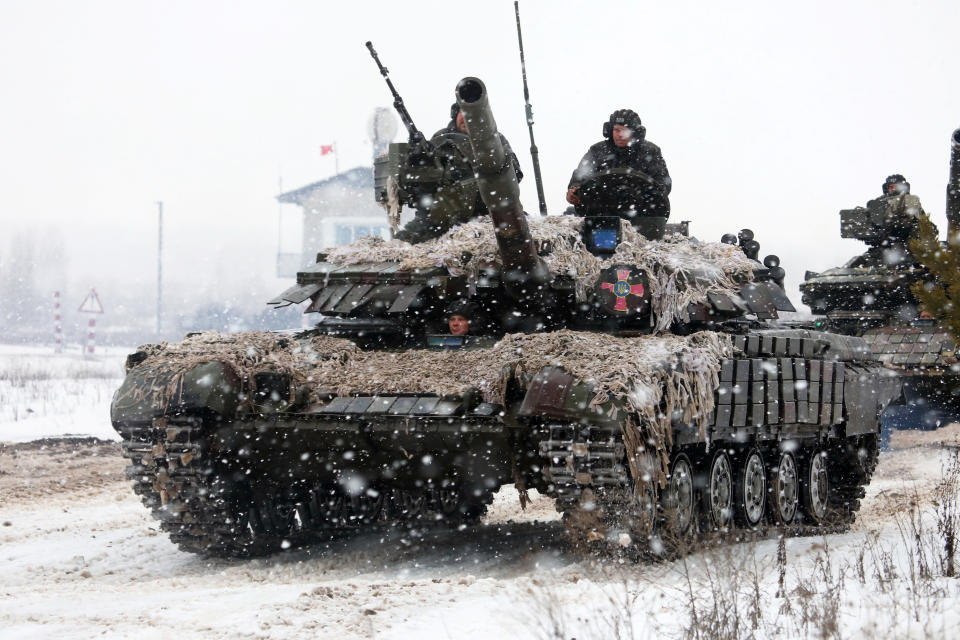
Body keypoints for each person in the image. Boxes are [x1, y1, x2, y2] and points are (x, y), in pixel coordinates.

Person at [395, 104, 523, 244]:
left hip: (491, 215)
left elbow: (514, 175)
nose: (466, 117)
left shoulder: (495, 141)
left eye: (470, 113)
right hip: (442, 218)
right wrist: (417, 159)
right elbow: (422, 186)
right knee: (402, 244)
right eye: (462, 112)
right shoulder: (441, 139)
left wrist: (478, 172)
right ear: (456, 114)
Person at [565, 109, 671, 217]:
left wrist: (643, 193)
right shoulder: (597, 151)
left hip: (641, 215)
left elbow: (663, 183)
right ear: (610, 130)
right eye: (617, 130)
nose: (620, 135)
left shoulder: (650, 152)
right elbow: (580, 176)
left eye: (625, 131)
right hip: (601, 215)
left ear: (635, 133)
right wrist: (574, 191)